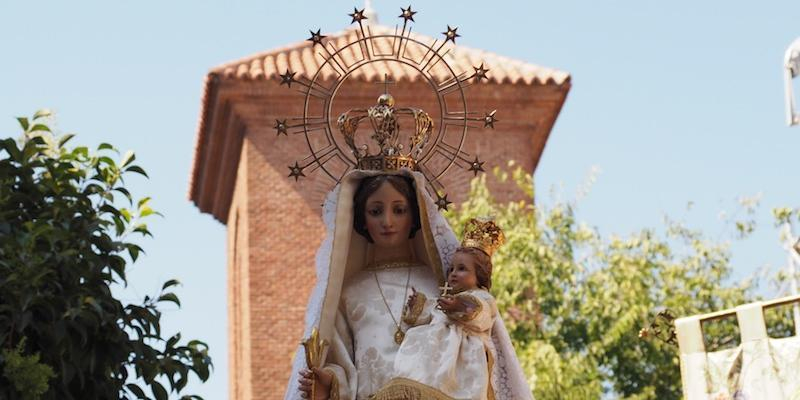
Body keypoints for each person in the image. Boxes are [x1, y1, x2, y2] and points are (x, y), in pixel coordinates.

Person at [284, 170, 532, 400]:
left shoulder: (439, 283)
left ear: (416, 216)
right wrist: (329, 383)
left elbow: (474, 338)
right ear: (361, 218)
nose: (387, 221)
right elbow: (344, 363)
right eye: (376, 211)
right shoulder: (349, 292)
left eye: (399, 210)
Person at [383, 219, 504, 400]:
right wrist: (417, 305)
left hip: (462, 359)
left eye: (462, 269)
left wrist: (459, 307)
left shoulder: (483, 297)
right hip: (431, 362)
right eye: (451, 269)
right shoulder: (447, 298)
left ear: (479, 275)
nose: (453, 273)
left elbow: (481, 315)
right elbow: (428, 313)